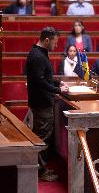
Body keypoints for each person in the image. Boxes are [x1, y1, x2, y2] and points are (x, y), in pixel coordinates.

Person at [25, 27, 69, 181]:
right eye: (55, 43)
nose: (56, 46)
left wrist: (58, 82)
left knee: (43, 135)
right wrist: (59, 90)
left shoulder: (40, 53)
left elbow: (45, 76)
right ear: (46, 40)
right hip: (41, 103)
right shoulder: (37, 56)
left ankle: (41, 168)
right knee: (42, 137)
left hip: (42, 101)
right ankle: (39, 172)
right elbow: (40, 82)